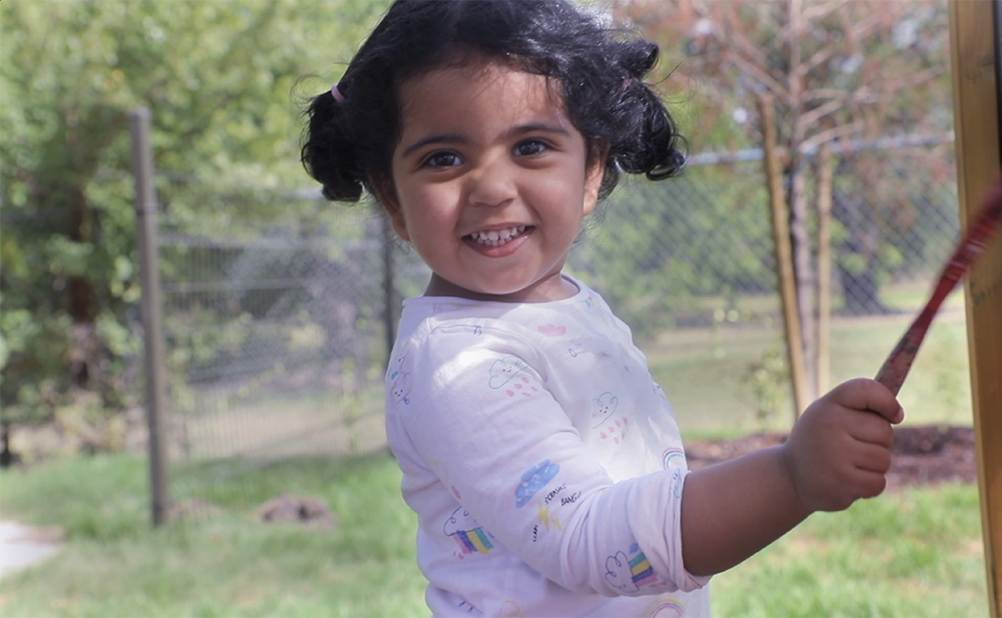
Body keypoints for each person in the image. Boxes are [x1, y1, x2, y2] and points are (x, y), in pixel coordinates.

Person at [301, 1, 904, 615]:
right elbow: (592, 540)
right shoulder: (458, 365)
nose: (491, 186)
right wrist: (789, 477)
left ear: (591, 169)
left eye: (531, 146)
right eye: (443, 158)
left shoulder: (570, 306)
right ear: (392, 198)